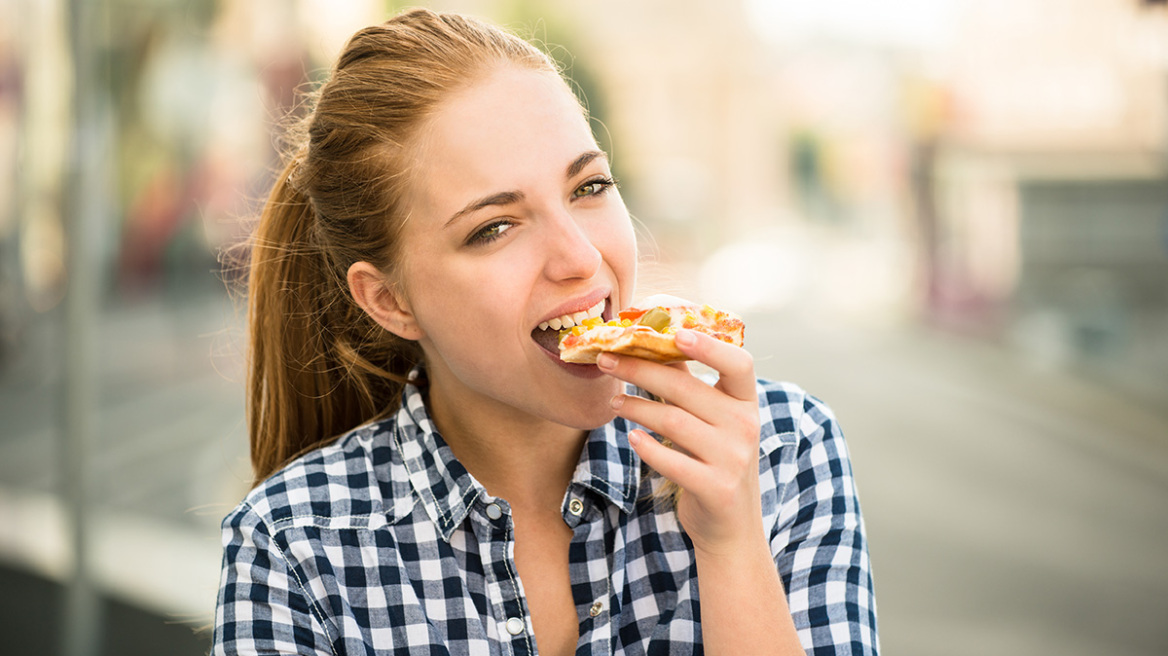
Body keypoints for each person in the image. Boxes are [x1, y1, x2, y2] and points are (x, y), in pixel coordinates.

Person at [213, 8, 878, 655]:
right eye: (494, 227)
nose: (581, 259)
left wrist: (731, 547)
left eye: (588, 187)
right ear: (389, 300)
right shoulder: (291, 547)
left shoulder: (782, 453)